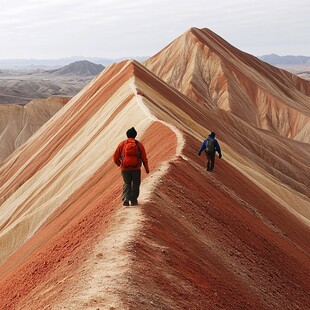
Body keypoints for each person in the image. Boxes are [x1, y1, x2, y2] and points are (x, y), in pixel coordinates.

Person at [113, 127, 149, 206]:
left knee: (127, 183)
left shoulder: (122, 144)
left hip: (125, 168)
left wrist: (120, 164)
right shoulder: (139, 145)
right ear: (135, 135)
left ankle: (126, 198)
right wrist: (147, 169)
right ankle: (133, 200)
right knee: (136, 184)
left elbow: (115, 157)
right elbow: (144, 158)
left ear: (127, 135)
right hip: (136, 168)